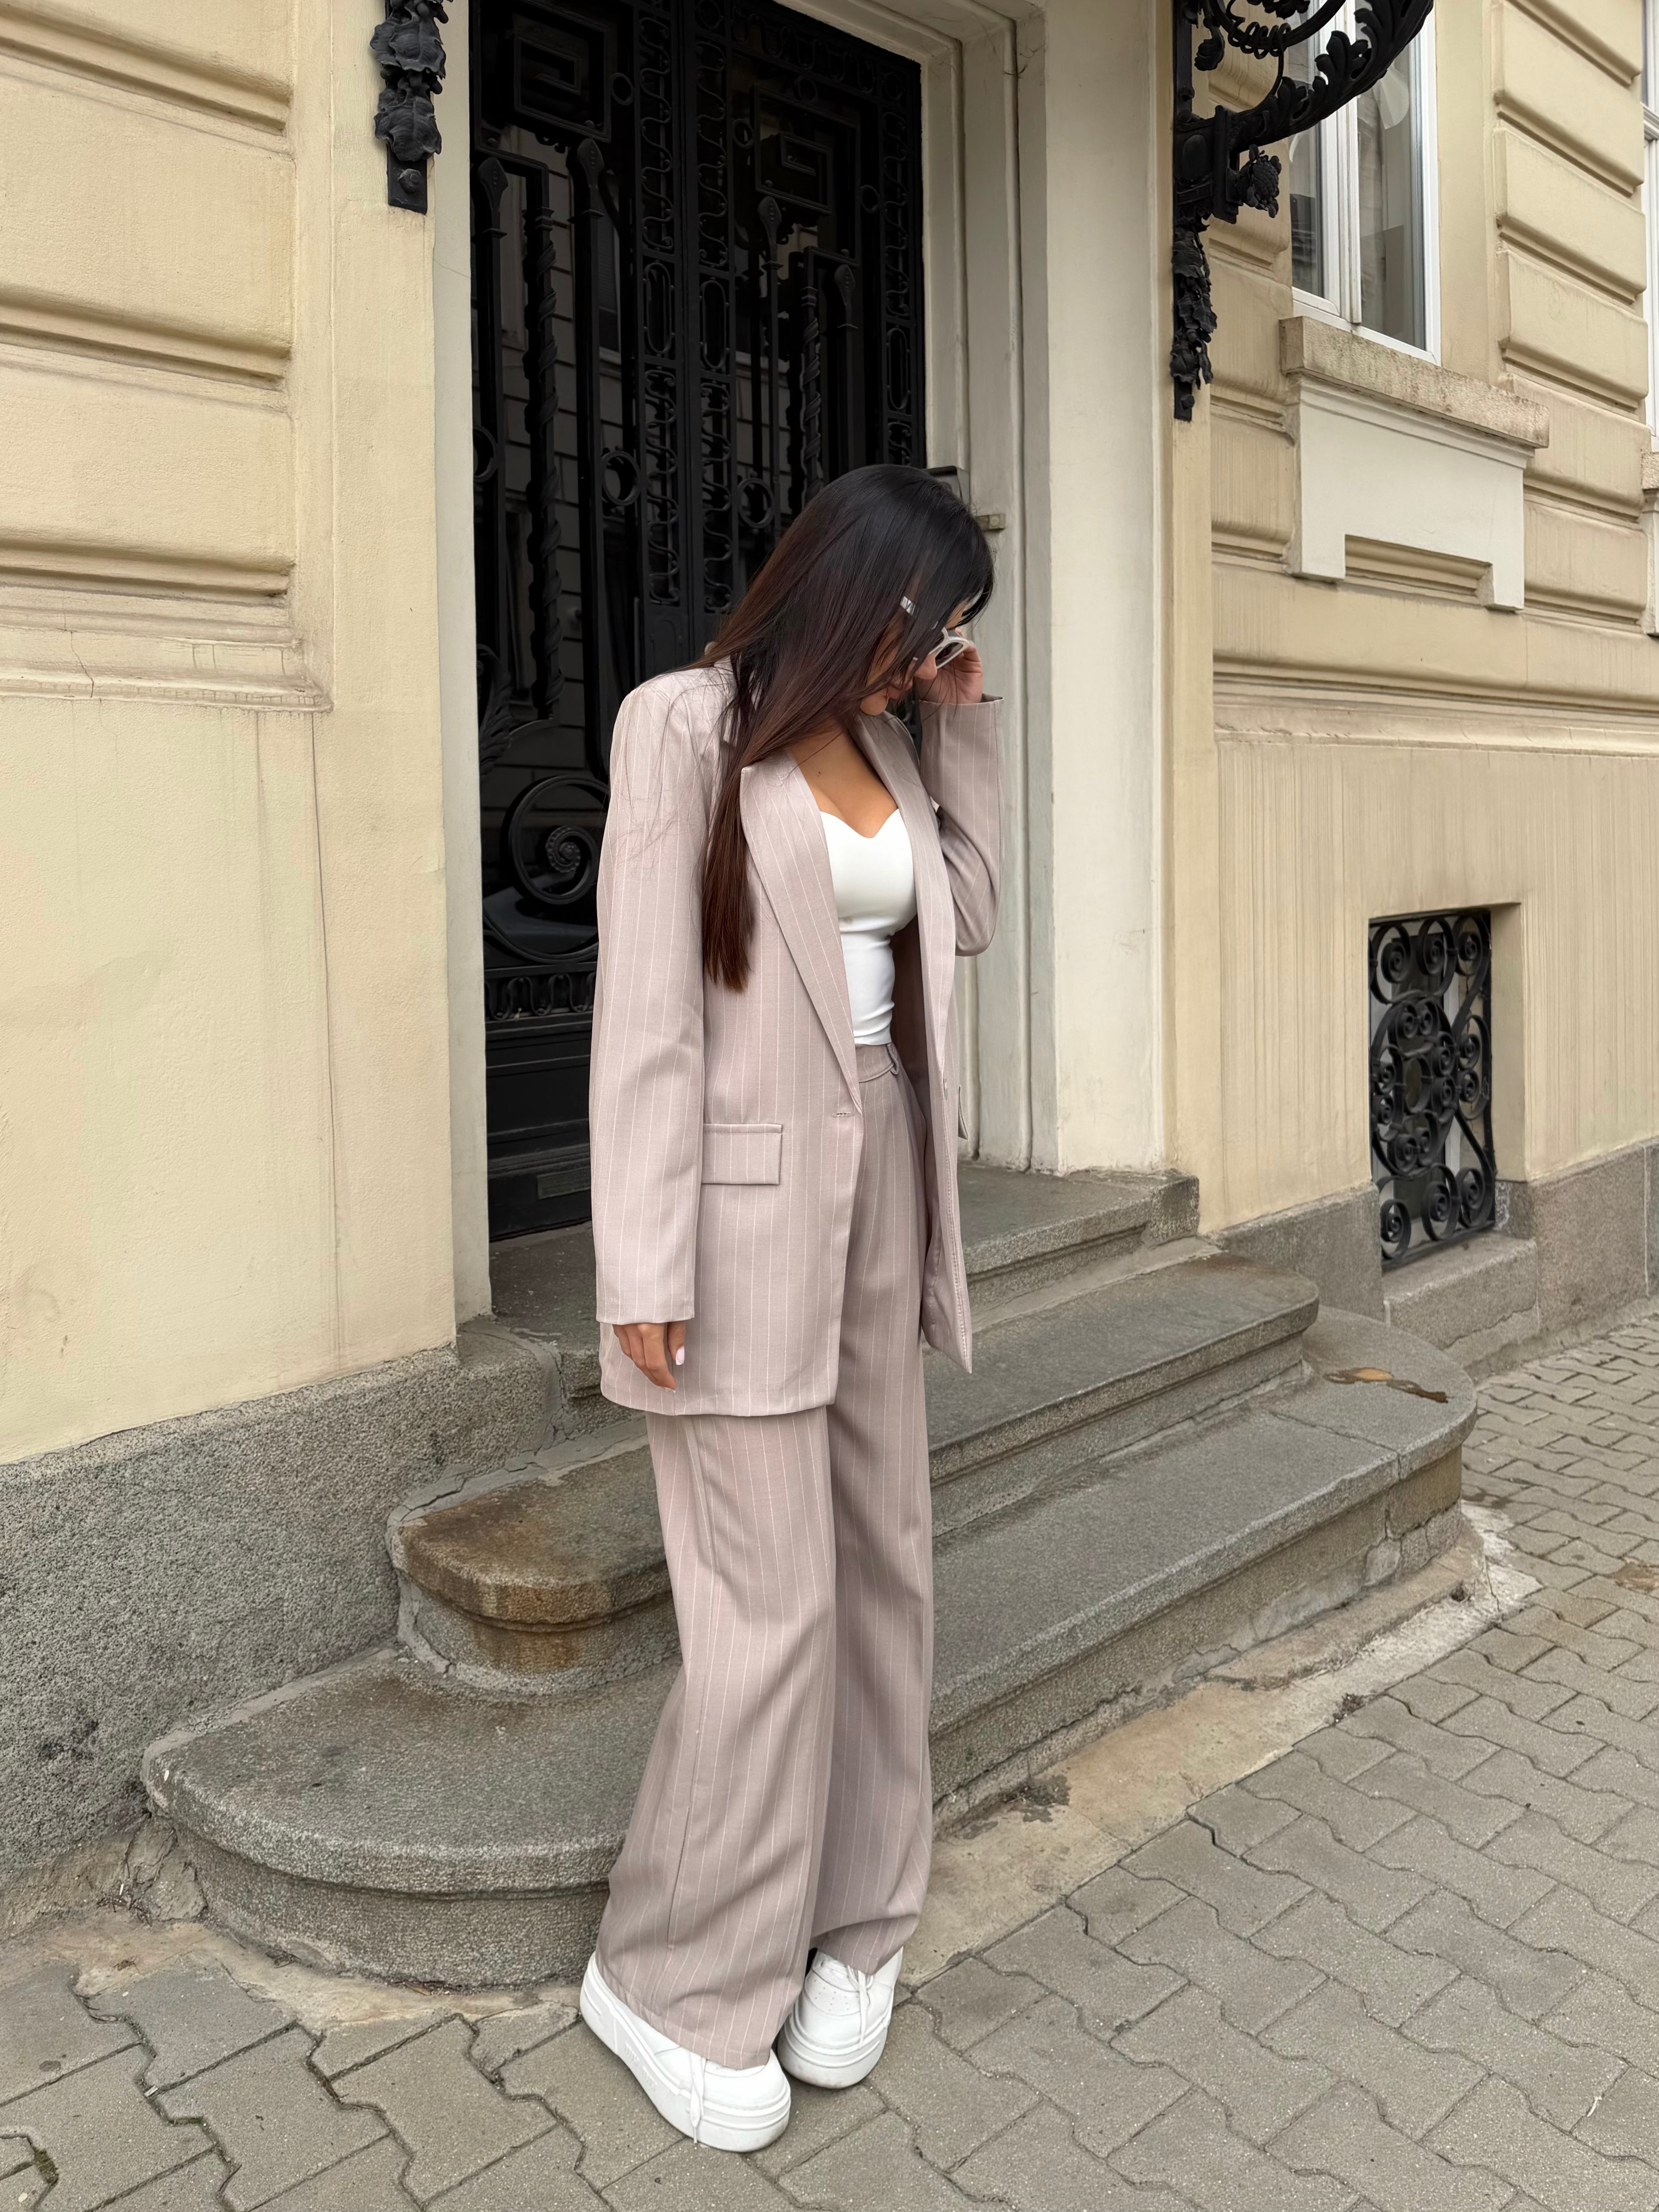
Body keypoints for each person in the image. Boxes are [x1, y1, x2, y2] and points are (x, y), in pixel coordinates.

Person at [578, 464, 1000, 2151]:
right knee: (767, 1618)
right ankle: (673, 1975)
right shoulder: (684, 728)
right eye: (929, 623)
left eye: (953, 632)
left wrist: (964, 728)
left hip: (882, 1193)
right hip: (736, 1219)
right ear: (853, 588)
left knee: (883, 1570)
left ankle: (860, 1918)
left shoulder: (895, 743)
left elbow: (970, 912)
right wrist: (642, 1262)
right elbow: (645, 1010)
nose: (934, 653)